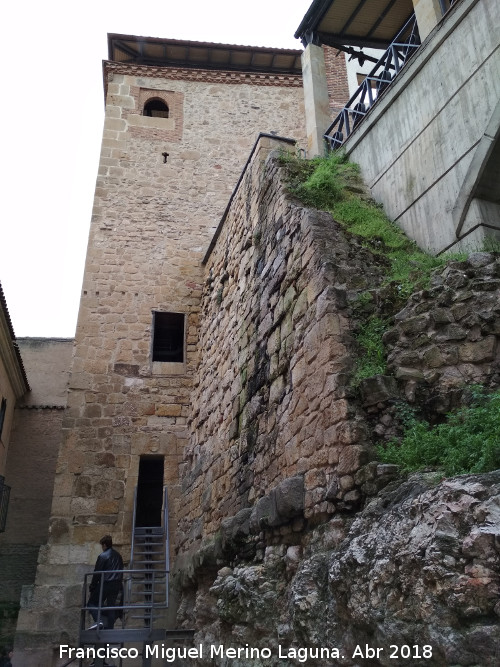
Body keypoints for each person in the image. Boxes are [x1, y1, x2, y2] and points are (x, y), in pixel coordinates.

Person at [87, 535, 124, 630]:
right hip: (117, 584)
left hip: (106, 583)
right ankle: (110, 629)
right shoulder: (118, 556)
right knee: (111, 606)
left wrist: (92, 587)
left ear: (104, 545)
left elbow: (97, 573)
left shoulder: (103, 556)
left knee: (91, 603)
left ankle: (98, 621)